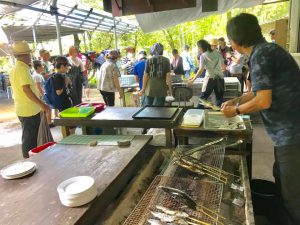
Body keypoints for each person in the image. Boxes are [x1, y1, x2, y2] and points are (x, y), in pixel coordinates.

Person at [222, 13, 300, 225]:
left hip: (292, 134)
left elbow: (263, 101)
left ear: (236, 41)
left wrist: (236, 112)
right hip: (286, 134)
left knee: (293, 195)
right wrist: (236, 100)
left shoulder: (261, 55)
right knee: (282, 182)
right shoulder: (267, 50)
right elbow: (258, 91)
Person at [9, 41, 50, 158]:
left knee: (31, 136)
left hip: (25, 109)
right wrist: (42, 104)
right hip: (29, 110)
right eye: (29, 54)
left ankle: (31, 159)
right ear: (25, 55)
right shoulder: (22, 69)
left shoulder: (16, 68)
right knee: (30, 138)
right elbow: (26, 90)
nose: (30, 57)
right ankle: (28, 160)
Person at [188, 39, 225, 107]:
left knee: (203, 99)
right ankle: (218, 114)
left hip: (210, 79)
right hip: (220, 78)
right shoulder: (218, 53)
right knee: (219, 99)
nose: (199, 49)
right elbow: (223, 67)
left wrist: (193, 80)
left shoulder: (203, 55)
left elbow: (201, 70)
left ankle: (199, 115)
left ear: (200, 47)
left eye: (198, 48)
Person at [52, 56, 74, 135]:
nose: (68, 68)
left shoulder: (61, 75)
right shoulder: (57, 76)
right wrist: (66, 83)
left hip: (66, 102)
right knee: (68, 124)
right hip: (63, 104)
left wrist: (68, 83)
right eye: (67, 66)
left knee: (68, 124)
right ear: (61, 66)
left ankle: (70, 139)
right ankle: (70, 140)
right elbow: (58, 92)